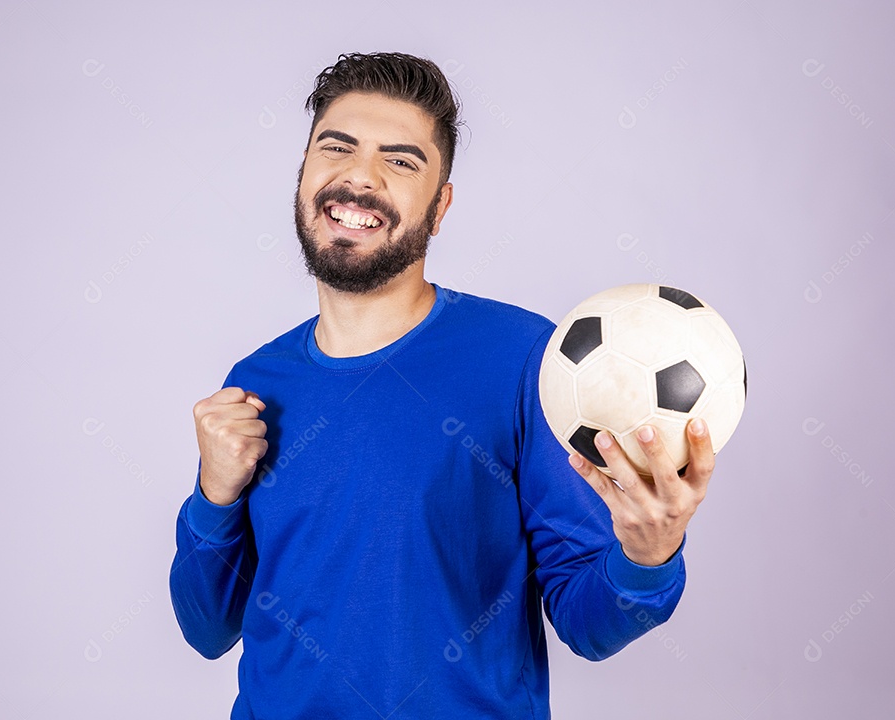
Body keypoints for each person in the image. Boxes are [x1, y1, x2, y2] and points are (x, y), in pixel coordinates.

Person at [169, 52, 714, 719]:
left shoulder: (523, 359)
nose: (360, 176)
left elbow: (588, 623)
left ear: (440, 205)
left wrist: (648, 556)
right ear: (304, 174)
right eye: (336, 148)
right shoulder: (255, 383)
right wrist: (212, 496)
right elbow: (206, 629)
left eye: (400, 161)